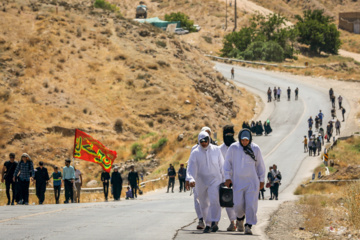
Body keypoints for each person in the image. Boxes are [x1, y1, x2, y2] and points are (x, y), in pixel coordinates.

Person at [224, 129, 266, 235]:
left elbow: (261, 165)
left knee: (251, 205)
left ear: (250, 140)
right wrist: (227, 177)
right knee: (238, 205)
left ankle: (248, 225)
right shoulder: (234, 148)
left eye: (247, 140)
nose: (245, 142)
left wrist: (262, 180)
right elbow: (227, 163)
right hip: (238, 182)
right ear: (240, 139)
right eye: (243, 140)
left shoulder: (255, 148)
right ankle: (240, 218)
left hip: (252, 182)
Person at [186, 131, 224, 233]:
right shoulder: (195, 152)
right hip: (201, 181)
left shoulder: (216, 150)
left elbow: (222, 165)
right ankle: (207, 223)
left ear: (209, 139)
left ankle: (214, 222)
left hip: (215, 180)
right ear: (199, 141)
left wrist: (225, 179)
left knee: (214, 200)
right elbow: (190, 168)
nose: (204, 143)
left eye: (205, 141)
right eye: (201, 141)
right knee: (203, 203)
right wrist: (191, 179)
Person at [219, 125, 237, 232]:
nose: (229, 137)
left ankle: (240, 220)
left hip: (238, 179)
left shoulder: (238, 147)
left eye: (231, 135)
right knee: (228, 201)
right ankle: (232, 222)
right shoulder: (220, 149)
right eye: (227, 135)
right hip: (225, 180)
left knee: (240, 202)